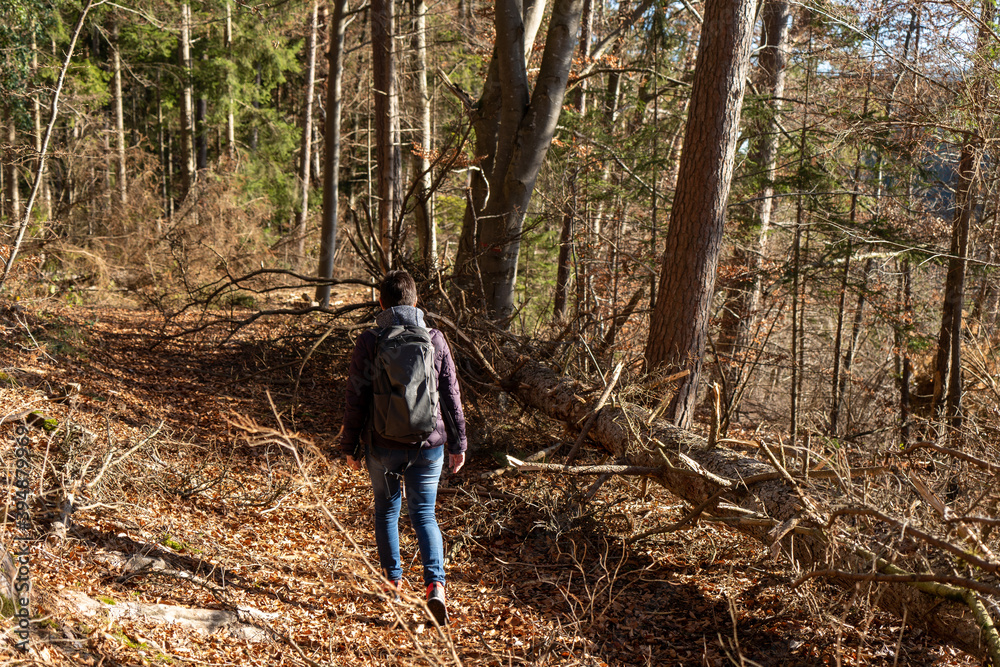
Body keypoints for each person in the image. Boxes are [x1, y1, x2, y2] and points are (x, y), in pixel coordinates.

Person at [341, 270, 467, 626]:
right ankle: (435, 588)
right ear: (415, 303)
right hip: (429, 446)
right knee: (424, 514)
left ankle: (393, 584)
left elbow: (357, 396)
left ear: (380, 303)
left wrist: (349, 444)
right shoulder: (435, 338)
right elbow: (451, 396)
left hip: (382, 444)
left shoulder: (370, 340)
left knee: (387, 512)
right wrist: (458, 444)